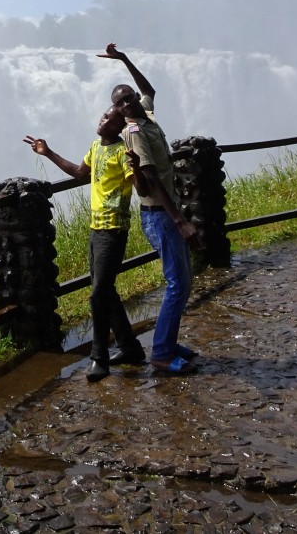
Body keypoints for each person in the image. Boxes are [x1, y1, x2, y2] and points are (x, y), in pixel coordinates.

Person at [99, 43, 203, 375]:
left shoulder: (146, 112)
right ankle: (160, 352)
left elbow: (149, 89)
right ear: (116, 110)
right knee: (178, 283)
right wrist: (180, 220)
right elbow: (149, 175)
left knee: (183, 281)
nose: (127, 103)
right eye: (119, 103)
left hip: (168, 214)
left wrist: (124, 59)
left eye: (128, 97)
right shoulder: (135, 132)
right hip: (160, 216)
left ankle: (169, 344)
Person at [24, 107, 146, 382]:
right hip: (95, 228)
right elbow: (80, 173)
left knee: (98, 295)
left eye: (113, 121)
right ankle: (130, 348)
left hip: (113, 229)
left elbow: (141, 188)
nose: (105, 122)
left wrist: (137, 168)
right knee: (105, 291)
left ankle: (98, 358)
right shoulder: (95, 147)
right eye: (104, 116)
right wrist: (48, 152)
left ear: (120, 128)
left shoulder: (121, 152)